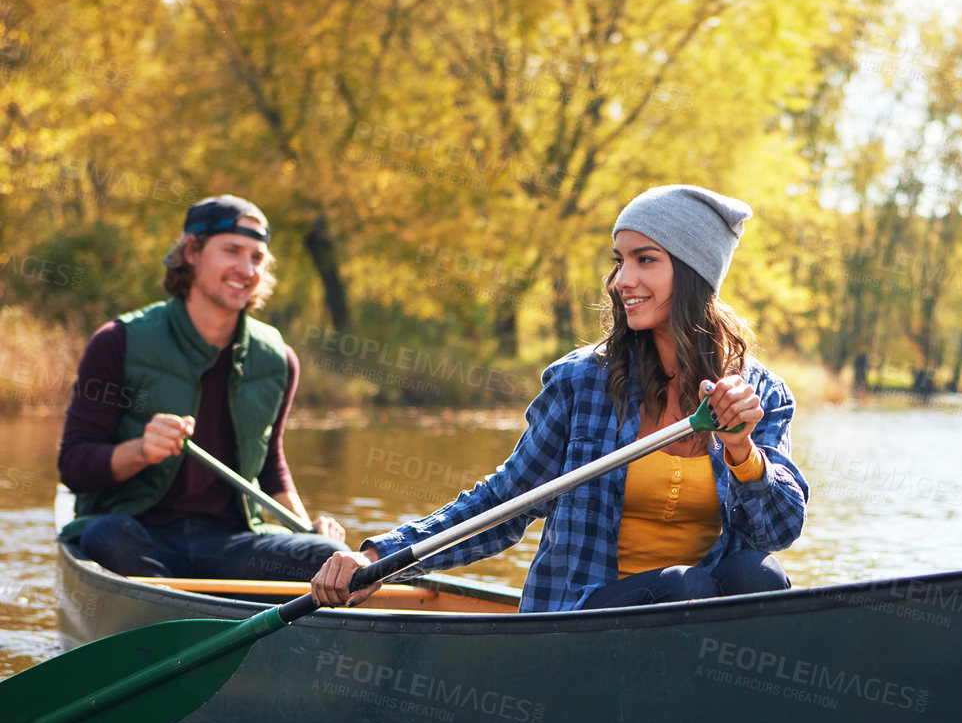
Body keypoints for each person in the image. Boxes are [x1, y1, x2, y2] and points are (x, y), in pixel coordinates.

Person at [310, 184, 807, 612]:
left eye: (646, 260)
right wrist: (380, 560)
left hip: (695, 623)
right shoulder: (582, 381)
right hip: (587, 613)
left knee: (757, 576)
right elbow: (503, 503)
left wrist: (743, 451)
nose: (622, 280)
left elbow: (778, 530)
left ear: (697, 273)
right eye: (620, 261)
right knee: (687, 586)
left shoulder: (759, 394)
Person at [58, 195, 348, 580]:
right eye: (232, 251)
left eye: (257, 257)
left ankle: (202, 609)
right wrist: (142, 451)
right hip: (137, 534)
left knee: (330, 555)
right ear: (192, 252)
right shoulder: (116, 341)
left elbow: (270, 467)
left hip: (232, 546)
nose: (246, 269)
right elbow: (74, 466)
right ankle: (173, 608)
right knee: (106, 535)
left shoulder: (279, 359)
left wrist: (307, 530)